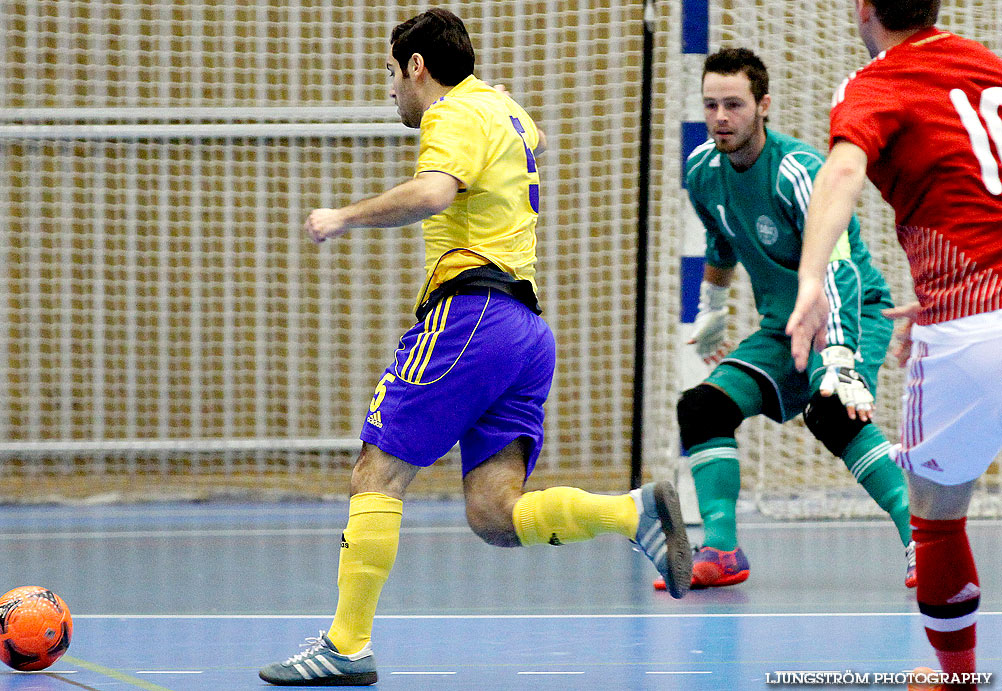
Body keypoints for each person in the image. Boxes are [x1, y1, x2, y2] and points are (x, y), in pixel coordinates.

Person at [258, 8, 692, 686]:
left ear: (417, 67)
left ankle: (345, 645)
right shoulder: (501, 108)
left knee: (378, 469)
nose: (392, 90)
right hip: (525, 332)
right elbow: (536, 141)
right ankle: (628, 511)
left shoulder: (451, 114)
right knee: (495, 511)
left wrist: (342, 216)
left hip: (470, 313)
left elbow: (433, 192)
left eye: (392, 75)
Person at [786, 0, 1002, 688]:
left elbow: (843, 172)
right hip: (969, 308)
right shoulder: (989, 67)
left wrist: (812, 279)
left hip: (972, 326)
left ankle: (960, 677)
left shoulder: (876, 81)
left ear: (864, 9)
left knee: (936, 513)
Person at [656, 47, 915, 592]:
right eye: (711, 105)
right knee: (702, 408)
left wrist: (838, 356)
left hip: (851, 308)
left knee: (832, 411)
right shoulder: (703, 170)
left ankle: (922, 541)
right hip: (784, 324)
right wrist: (713, 310)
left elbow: (838, 266)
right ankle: (722, 550)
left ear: (763, 106)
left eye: (734, 104)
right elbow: (721, 244)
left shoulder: (799, 171)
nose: (721, 117)